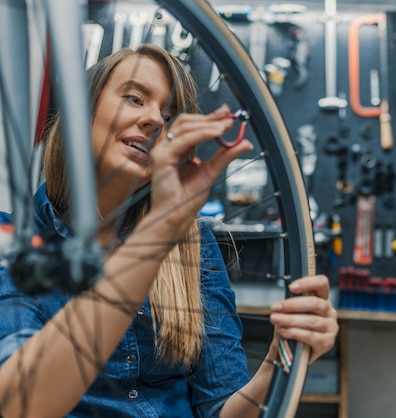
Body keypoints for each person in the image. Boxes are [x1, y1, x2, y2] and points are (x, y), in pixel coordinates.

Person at [0, 44, 338, 418]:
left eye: (169, 115)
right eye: (134, 98)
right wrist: (161, 228)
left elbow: (221, 410)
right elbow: (19, 404)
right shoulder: (11, 242)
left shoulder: (193, 245)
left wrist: (281, 358)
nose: (155, 120)